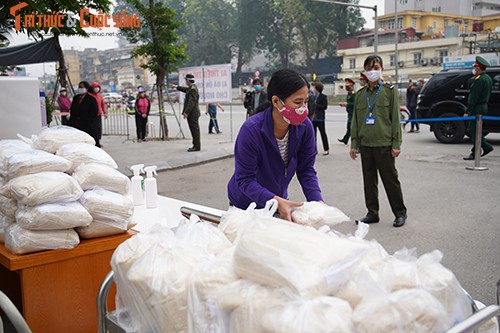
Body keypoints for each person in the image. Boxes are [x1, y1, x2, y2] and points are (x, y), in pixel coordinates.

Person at [227, 69, 323, 221]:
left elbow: (306, 170)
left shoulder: (305, 127)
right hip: (246, 205)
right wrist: (276, 201)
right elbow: (245, 179)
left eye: (306, 101)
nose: (303, 108)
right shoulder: (251, 130)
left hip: (278, 202)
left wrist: (318, 204)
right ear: (276, 101)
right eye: (298, 102)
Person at [349, 55, 407, 228]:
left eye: (376, 67)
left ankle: (400, 213)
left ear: (382, 69)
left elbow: (395, 119)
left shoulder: (389, 91)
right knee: (369, 181)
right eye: (369, 68)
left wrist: (396, 143)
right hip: (366, 145)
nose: (372, 71)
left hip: (384, 144)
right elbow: (356, 121)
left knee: (390, 180)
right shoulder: (360, 95)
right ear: (364, 71)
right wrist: (354, 144)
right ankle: (372, 213)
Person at [463, 56, 494, 160]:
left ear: (478, 67)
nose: (474, 69)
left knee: (473, 131)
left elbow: (474, 97)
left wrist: (468, 111)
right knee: (477, 130)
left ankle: (486, 147)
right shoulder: (488, 78)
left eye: (475, 67)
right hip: (483, 106)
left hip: (477, 108)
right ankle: (474, 152)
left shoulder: (479, 80)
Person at [172, 74, 201, 152]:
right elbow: (185, 89)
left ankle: (196, 146)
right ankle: (195, 145)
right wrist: (176, 87)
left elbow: (191, 103)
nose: (185, 82)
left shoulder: (193, 89)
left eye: (186, 80)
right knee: (194, 129)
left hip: (193, 113)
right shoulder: (192, 88)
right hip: (193, 113)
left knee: (194, 130)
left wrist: (186, 112)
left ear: (188, 80)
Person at [69, 81, 100, 147]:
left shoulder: (91, 99)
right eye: (79, 87)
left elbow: (94, 112)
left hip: (88, 125)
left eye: (82, 87)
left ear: (87, 88)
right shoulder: (76, 98)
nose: (80, 89)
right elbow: (72, 110)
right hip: (76, 124)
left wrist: (87, 120)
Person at [311, 82, 329, 155]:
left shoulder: (323, 96)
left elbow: (325, 107)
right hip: (313, 118)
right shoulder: (312, 96)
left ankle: (326, 148)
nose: (312, 89)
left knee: (323, 133)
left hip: (320, 117)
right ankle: (314, 149)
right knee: (313, 134)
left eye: (314, 87)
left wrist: (316, 105)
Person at [338, 78, 356, 144]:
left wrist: (347, 104)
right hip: (349, 113)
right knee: (349, 127)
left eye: (348, 86)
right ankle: (345, 139)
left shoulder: (354, 94)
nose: (347, 88)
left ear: (352, 86)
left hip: (353, 113)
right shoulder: (349, 94)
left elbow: (355, 103)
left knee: (352, 128)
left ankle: (356, 143)